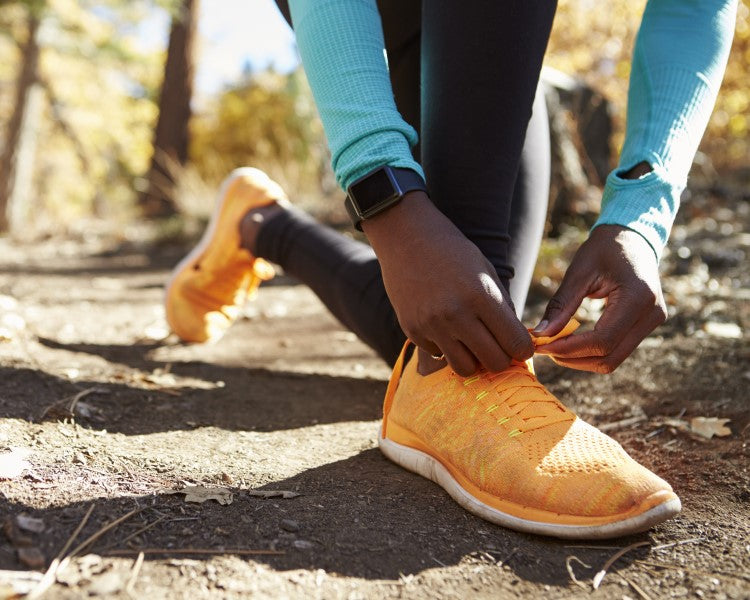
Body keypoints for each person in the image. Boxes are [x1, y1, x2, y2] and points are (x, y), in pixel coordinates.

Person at [165, 0, 736, 539]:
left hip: (487, 33)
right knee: (448, 327)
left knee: (448, 327)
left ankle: (259, 224)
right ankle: (460, 386)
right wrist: (386, 200)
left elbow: (696, 7)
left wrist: (639, 217)